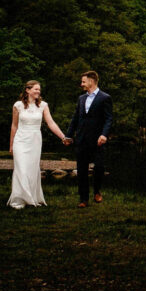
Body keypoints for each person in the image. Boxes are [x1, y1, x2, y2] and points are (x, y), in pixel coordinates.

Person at [7, 80, 68, 209]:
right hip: (20, 140)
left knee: (32, 169)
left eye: (39, 90)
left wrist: (63, 137)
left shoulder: (43, 106)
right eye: (35, 89)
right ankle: (19, 199)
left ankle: (32, 197)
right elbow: (14, 125)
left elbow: (51, 123)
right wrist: (11, 144)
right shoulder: (18, 105)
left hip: (35, 140)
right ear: (28, 90)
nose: (38, 92)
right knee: (21, 168)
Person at [65, 70, 113, 208]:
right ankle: (83, 199)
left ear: (91, 81)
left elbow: (109, 119)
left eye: (83, 81)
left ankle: (97, 190)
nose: (81, 84)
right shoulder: (81, 99)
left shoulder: (105, 98)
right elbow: (75, 118)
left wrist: (104, 134)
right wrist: (69, 135)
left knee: (99, 167)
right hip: (81, 139)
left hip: (98, 139)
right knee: (82, 169)